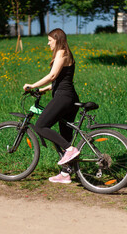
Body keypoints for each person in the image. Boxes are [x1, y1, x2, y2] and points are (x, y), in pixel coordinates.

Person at [23, 28, 80, 184]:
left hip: (64, 98)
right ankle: (65, 173)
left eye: (49, 40)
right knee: (65, 134)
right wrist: (43, 90)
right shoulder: (66, 53)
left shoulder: (62, 52)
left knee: (41, 125)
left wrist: (32, 85)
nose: (48, 43)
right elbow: (62, 80)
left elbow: (53, 76)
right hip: (69, 97)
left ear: (57, 39)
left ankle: (70, 150)